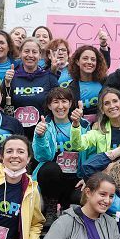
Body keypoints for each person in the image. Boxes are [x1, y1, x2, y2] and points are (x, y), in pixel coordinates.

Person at [69, 87, 120, 175]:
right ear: (102, 109)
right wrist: (75, 124)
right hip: (108, 176)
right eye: (107, 103)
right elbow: (77, 145)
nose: (112, 106)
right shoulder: (99, 131)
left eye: (115, 101)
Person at [34, 88, 89, 218]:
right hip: (52, 179)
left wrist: (87, 177)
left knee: (80, 198)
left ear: (70, 104)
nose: (60, 106)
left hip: (75, 177)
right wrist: (40, 137)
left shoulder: (84, 125)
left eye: (64, 101)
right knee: (49, 168)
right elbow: (42, 157)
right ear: (49, 105)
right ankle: (50, 208)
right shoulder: (44, 126)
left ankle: (66, 206)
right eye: (55, 102)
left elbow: (89, 152)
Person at [6, 37, 57, 130]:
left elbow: (57, 103)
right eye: (26, 51)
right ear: (20, 53)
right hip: (18, 133)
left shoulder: (48, 77)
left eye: (34, 52)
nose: (30, 55)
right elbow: (3, 105)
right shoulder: (12, 76)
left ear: (40, 55)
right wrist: (6, 84)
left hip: (42, 132)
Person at [65, 44, 108, 123]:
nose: (89, 62)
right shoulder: (71, 89)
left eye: (93, 59)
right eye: (85, 58)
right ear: (77, 62)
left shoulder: (106, 82)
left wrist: (104, 46)